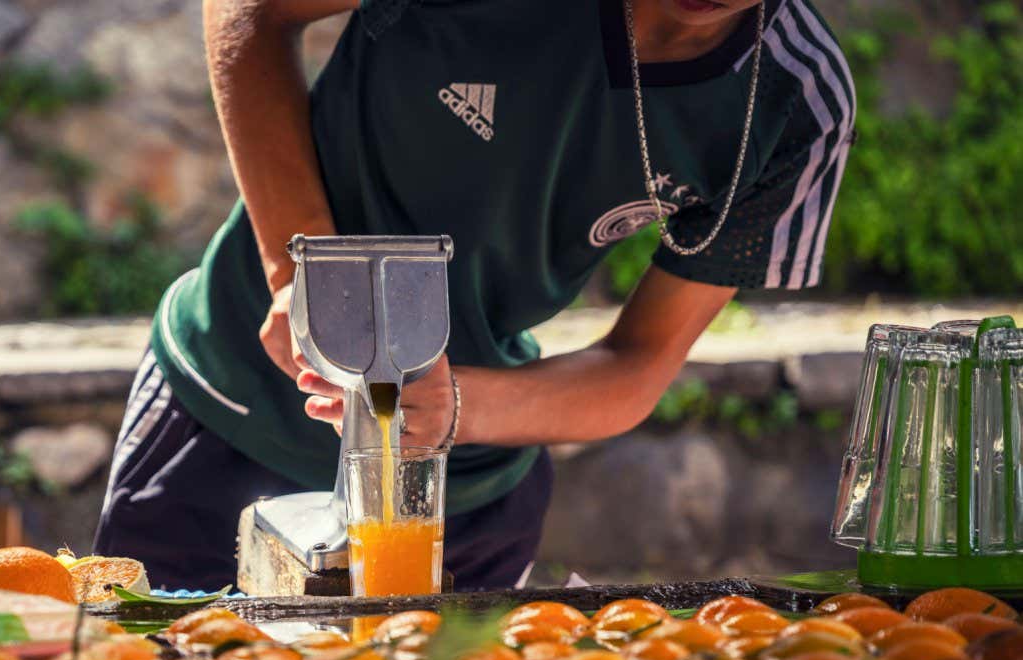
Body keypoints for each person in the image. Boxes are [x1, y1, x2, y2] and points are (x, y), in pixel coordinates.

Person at [95, 0, 855, 591]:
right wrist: (299, 272)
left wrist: (457, 406)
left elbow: (639, 365)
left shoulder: (799, 103)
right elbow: (249, 12)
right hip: (227, 415)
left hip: (465, 498)